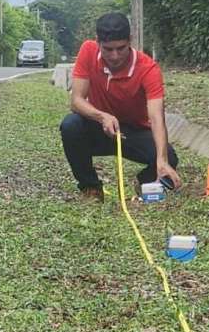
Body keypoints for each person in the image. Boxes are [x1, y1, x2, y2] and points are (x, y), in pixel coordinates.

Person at [59, 12, 181, 201]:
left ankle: (144, 184)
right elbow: (76, 101)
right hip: (99, 128)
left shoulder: (148, 69)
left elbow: (157, 117)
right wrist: (102, 117)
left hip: (133, 132)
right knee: (70, 125)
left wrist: (162, 160)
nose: (115, 56)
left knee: (170, 159)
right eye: (108, 49)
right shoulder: (87, 51)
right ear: (98, 41)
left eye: (121, 48)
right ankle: (91, 187)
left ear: (130, 40)